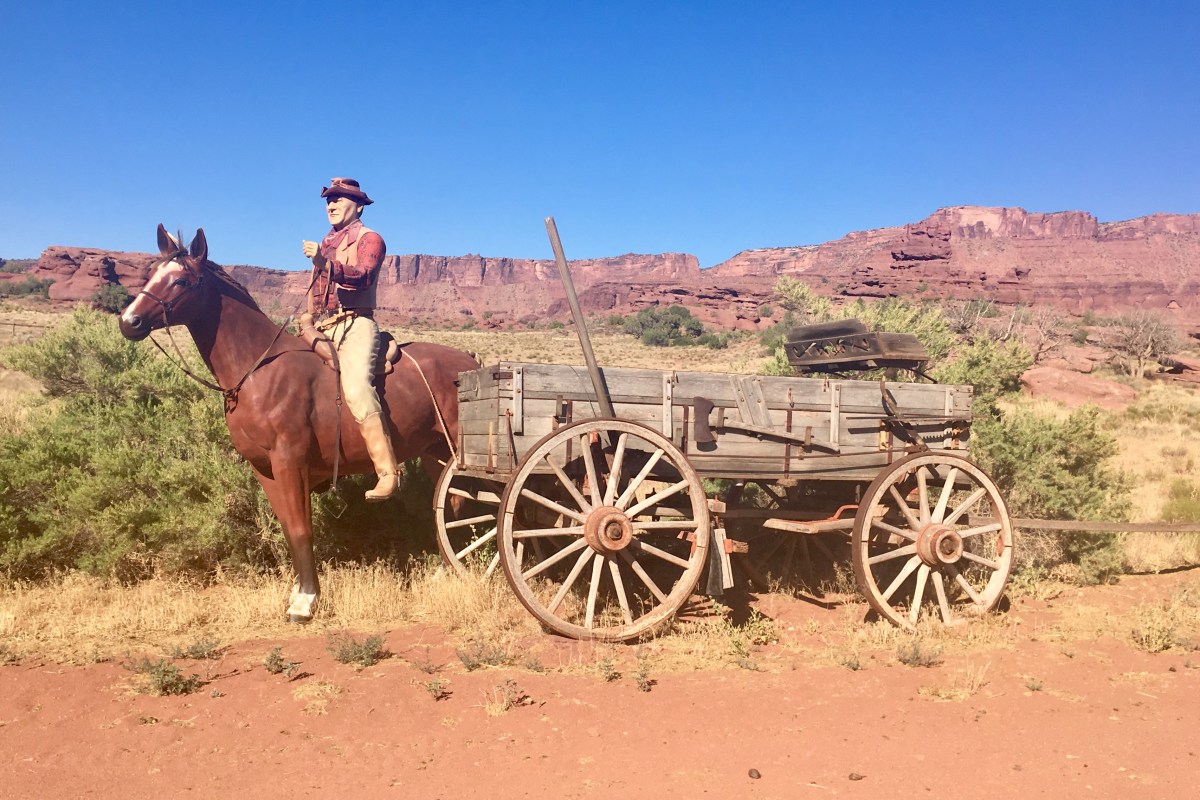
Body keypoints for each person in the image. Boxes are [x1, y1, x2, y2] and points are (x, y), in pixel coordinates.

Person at [300, 177, 398, 501]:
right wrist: (307, 318)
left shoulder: (371, 239)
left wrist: (323, 262)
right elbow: (318, 291)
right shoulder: (326, 243)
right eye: (329, 199)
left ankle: (387, 471)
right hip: (322, 325)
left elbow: (363, 276)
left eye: (339, 199)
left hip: (356, 324)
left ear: (358, 207)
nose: (331, 204)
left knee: (356, 388)